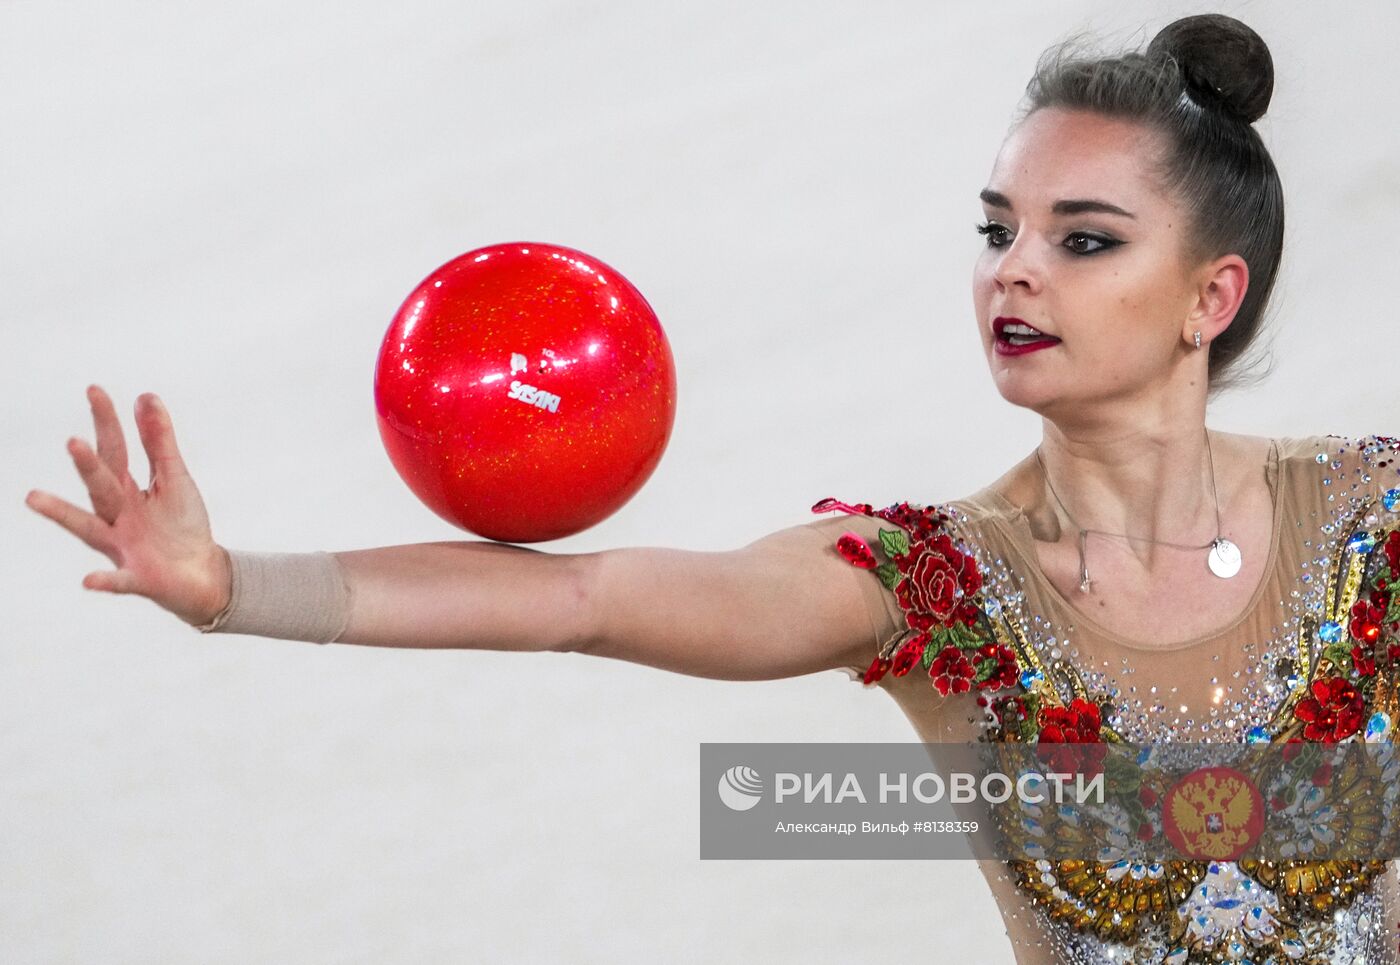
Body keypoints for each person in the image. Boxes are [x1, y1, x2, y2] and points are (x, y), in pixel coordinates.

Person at [24, 12, 1400, 964]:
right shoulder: (931, 582)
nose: (1013, 270)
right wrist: (230, 586)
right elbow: (583, 597)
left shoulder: (1370, 521)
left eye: (1082, 239)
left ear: (1209, 295)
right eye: (998, 230)